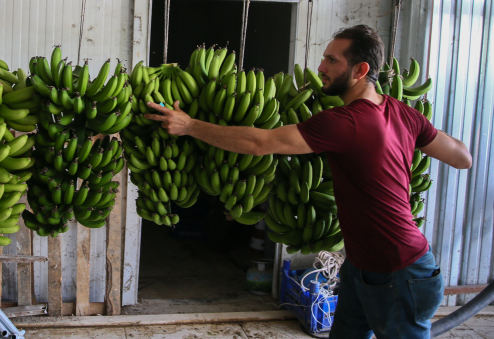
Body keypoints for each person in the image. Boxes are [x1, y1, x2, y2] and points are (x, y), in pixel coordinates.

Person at [145, 25, 472, 339]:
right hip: (364, 267)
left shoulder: (346, 122)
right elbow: (462, 157)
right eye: (324, 58)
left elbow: (260, 144)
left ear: (360, 70)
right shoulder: (403, 113)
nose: (321, 66)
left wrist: (190, 127)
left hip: (399, 272)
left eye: (332, 60)